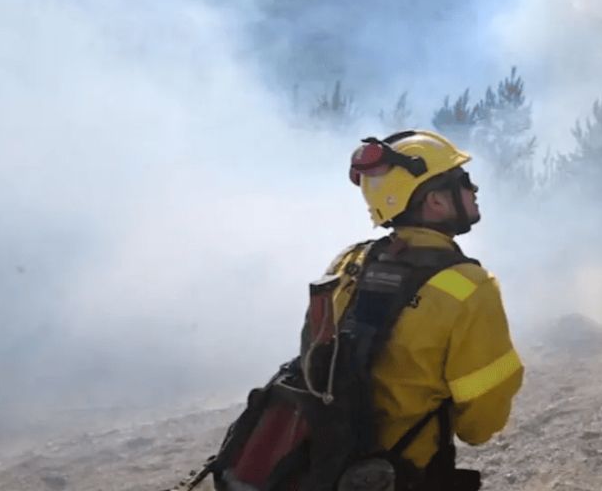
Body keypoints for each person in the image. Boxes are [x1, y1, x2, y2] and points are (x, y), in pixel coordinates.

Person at [196, 130, 523, 491]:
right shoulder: (469, 287)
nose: (473, 190)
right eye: (463, 181)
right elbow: (481, 423)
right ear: (435, 201)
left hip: (322, 463)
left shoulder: (349, 261)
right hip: (405, 474)